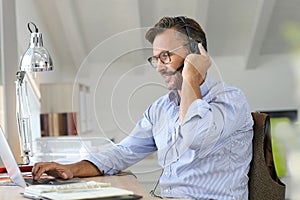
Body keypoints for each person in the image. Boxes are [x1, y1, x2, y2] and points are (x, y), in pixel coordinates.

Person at [32, 16, 253, 199]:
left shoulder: (230, 100)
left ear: (196, 53)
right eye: (155, 59)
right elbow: (124, 151)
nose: (158, 67)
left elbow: (194, 136)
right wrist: (71, 168)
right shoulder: (161, 109)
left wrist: (191, 77)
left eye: (165, 56)